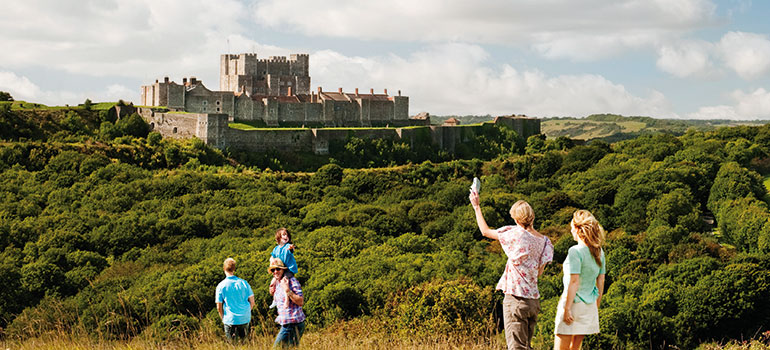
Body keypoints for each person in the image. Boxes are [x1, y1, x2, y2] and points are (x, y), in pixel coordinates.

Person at [470, 191, 554, 350]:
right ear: (532, 216)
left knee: (516, 347)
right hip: (533, 302)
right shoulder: (545, 242)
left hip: (516, 299)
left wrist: (476, 206)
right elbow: (539, 272)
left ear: (516, 218)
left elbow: (485, 231)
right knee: (526, 346)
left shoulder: (516, 235)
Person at [554, 210, 606, 350]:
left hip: (572, 304)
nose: (571, 230)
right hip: (589, 305)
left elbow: (574, 282)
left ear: (577, 229)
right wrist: (597, 305)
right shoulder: (599, 252)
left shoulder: (575, 251)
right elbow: (601, 281)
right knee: (575, 348)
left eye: (572, 227)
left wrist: (567, 308)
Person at [269, 257, 306, 348]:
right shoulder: (278, 282)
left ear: (283, 269)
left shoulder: (292, 282)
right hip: (287, 322)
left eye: (278, 269)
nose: (275, 271)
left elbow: (300, 301)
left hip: (293, 323)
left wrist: (288, 290)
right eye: (273, 270)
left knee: (276, 348)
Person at [215, 258, 255, 342]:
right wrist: (246, 311)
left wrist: (223, 319)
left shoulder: (221, 286)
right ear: (234, 269)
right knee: (244, 344)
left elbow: (219, 307)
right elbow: (252, 302)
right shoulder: (244, 283)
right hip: (244, 318)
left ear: (224, 268)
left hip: (230, 319)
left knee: (233, 345)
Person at [270, 228, 298, 308]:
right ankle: (275, 299)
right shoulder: (276, 249)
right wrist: (272, 262)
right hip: (280, 269)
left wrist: (291, 248)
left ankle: (287, 300)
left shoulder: (288, 246)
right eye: (284, 235)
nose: (286, 236)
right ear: (278, 237)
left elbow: (291, 249)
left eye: (287, 235)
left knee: (284, 282)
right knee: (273, 283)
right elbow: (272, 257)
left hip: (288, 269)